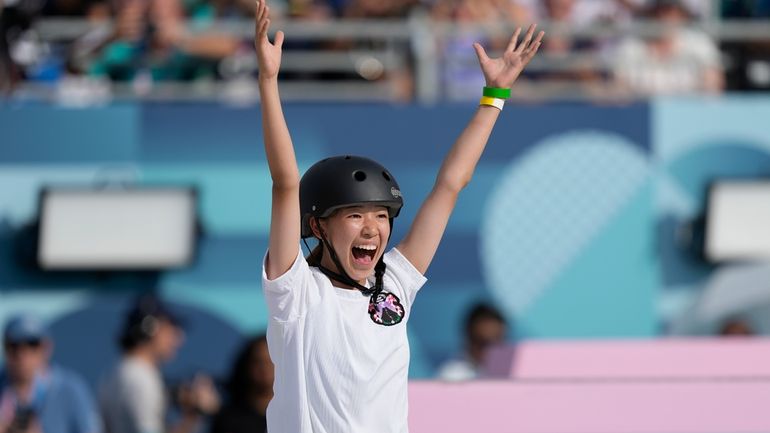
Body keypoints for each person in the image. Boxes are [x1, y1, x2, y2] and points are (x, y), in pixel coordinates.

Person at [255, 0, 543, 429]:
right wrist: (268, 79)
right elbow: (285, 183)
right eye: (354, 216)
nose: (372, 228)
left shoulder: (395, 283)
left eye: (381, 215)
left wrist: (494, 97)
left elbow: (450, 185)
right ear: (317, 226)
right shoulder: (296, 293)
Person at [98, 296, 220, 433]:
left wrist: (192, 416)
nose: (179, 338)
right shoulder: (139, 378)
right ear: (149, 328)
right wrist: (195, 414)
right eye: (171, 328)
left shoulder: (121, 371)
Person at [0, 314, 101, 433]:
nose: (23, 354)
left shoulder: (71, 390)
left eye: (32, 344)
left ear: (47, 347)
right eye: (14, 346)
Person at [612, 0, 724, 96]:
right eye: (658, 13)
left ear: (682, 16)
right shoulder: (631, 47)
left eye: (670, 13)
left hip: (691, 115)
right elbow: (620, 90)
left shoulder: (699, 44)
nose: (664, 19)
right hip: (641, 115)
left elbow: (712, 89)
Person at [210, 335, 273, 433]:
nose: (265, 369)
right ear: (247, 366)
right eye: (258, 362)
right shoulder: (228, 420)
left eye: (272, 362)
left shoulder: (296, 416)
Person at [436, 303, 508, 381]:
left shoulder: (512, 375)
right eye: (483, 343)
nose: (490, 351)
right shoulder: (451, 375)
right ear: (468, 338)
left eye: (496, 344)